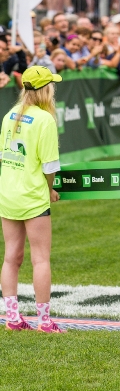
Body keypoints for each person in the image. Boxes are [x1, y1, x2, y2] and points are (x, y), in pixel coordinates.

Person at [0, 65, 66, 333]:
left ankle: (13, 318)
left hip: (8, 194)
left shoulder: (10, 115)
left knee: (10, 257)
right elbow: (50, 167)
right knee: (40, 259)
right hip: (32, 196)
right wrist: (50, 189)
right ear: (45, 89)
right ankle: (44, 321)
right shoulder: (44, 119)